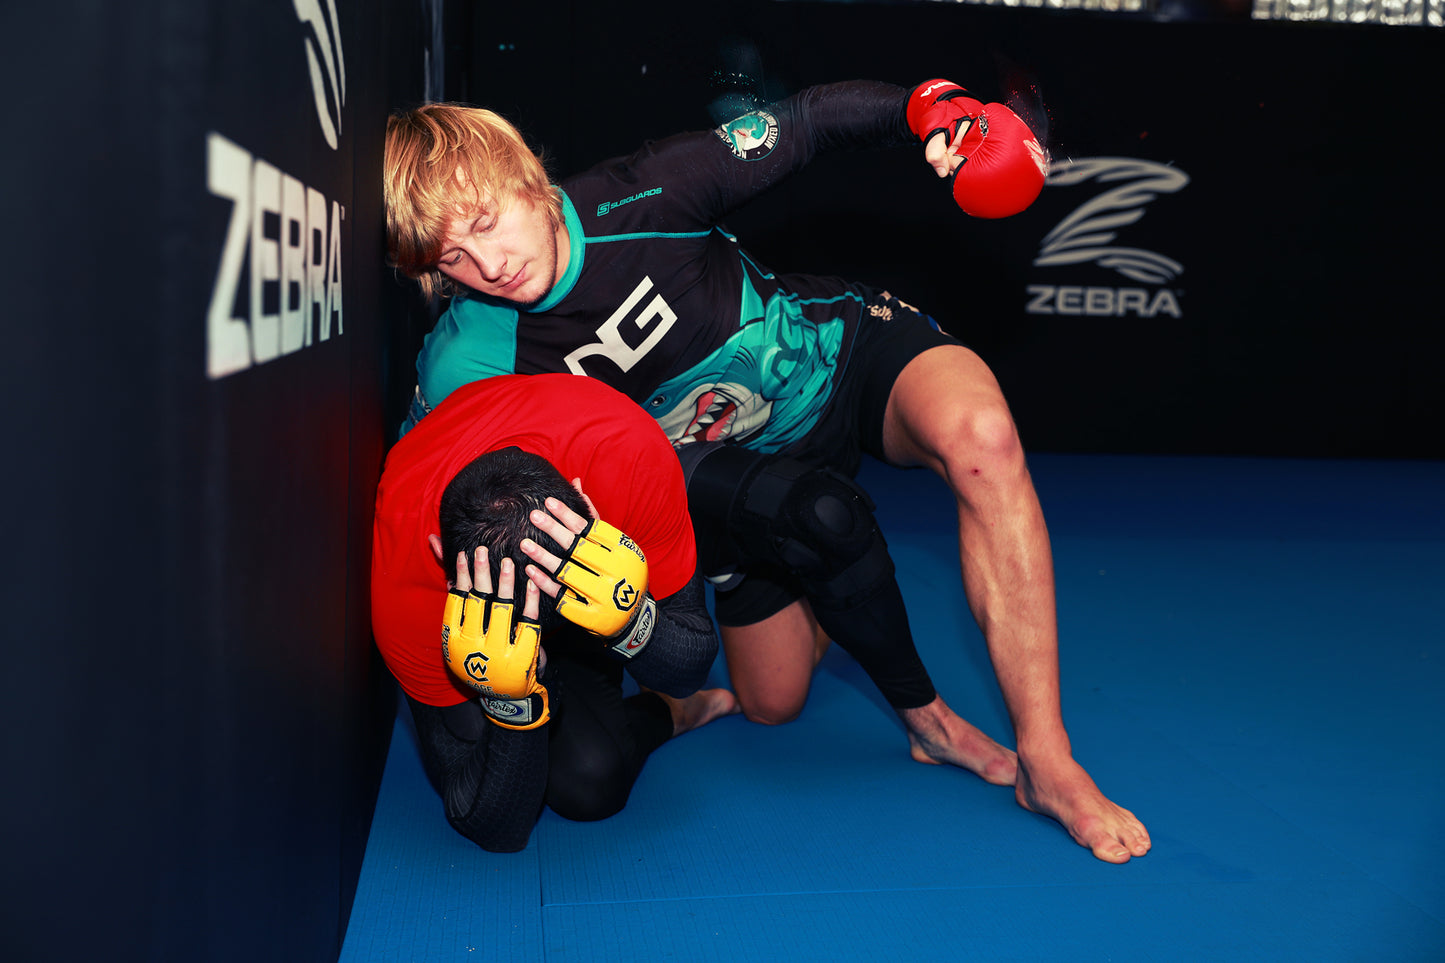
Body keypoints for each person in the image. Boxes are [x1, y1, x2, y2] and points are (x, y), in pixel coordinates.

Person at [382, 78, 1151, 862]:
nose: (487, 264)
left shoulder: (645, 193)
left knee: (982, 438)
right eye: (451, 258)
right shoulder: (466, 358)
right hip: (730, 474)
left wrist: (931, 108)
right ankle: (826, 579)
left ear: (523, 176)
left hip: (838, 362)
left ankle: (1048, 760)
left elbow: (809, 121)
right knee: (772, 701)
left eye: (484, 223)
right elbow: (426, 481)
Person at [370, 373, 737, 852]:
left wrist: (630, 623)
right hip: (472, 594)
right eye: (523, 611)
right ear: (442, 557)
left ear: (588, 508)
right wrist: (514, 701)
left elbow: (690, 665)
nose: (540, 627)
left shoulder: (628, 452)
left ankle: (671, 705)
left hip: (595, 536)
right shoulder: (407, 572)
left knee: (595, 777)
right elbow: (487, 822)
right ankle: (659, 714)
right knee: (589, 782)